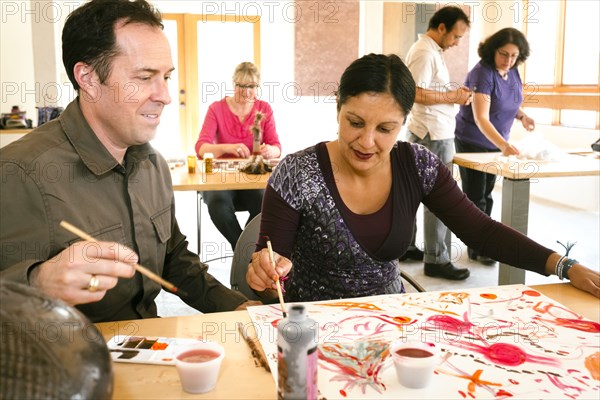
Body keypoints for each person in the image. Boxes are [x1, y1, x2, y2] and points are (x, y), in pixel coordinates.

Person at [245, 53, 600, 303]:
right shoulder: (297, 171)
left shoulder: (417, 165)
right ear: (338, 107)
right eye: (355, 122)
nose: (367, 142)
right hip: (310, 329)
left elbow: (481, 231)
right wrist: (262, 273)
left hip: (390, 322)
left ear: (404, 123)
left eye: (385, 128)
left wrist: (564, 265)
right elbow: (270, 272)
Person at [0, 0, 258, 323]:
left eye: (165, 76)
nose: (164, 95)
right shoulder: (19, 172)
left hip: (151, 360)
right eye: (145, 76)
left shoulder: (154, 164)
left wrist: (237, 307)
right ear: (89, 78)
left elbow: (174, 260)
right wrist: (37, 283)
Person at [404, 6, 473, 280]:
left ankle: (408, 246)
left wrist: (452, 94)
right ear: (441, 27)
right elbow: (414, 92)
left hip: (430, 131)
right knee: (439, 198)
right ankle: (437, 259)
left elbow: (427, 89)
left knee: (414, 193)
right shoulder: (424, 52)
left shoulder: (432, 51)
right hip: (433, 134)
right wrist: (453, 97)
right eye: (455, 36)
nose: (457, 42)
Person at [454, 28, 535, 263]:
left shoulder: (512, 72)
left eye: (513, 55)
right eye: (503, 54)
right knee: (475, 196)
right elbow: (482, 117)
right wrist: (504, 145)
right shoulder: (483, 73)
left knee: (487, 194)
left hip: (496, 143)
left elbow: (507, 101)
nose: (508, 60)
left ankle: (485, 242)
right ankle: (477, 247)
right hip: (473, 140)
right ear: (493, 51)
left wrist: (522, 116)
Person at [195, 61, 282, 251]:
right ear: (234, 84)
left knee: (266, 201)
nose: (246, 91)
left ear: (257, 87)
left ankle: (245, 248)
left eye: (251, 86)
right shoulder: (216, 109)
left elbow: (276, 146)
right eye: (241, 86)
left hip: (250, 179)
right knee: (218, 203)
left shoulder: (264, 109)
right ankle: (244, 251)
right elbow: (201, 148)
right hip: (221, 180)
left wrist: (270, 151)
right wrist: (229, 147)